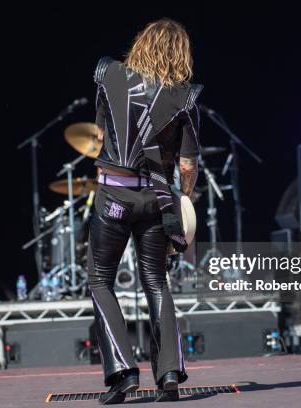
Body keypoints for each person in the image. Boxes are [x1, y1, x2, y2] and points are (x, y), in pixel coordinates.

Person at [87, 18, 202, 404]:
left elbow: (101, 134)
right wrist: (183, 199)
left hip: (114, 198)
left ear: (141, 43)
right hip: (155, 200)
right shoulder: (185, 97)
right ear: (180, 53)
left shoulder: (108, 75)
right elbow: (187, 165)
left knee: (101, 280)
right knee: (156, 281)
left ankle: (122, 374)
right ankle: (168, 374)